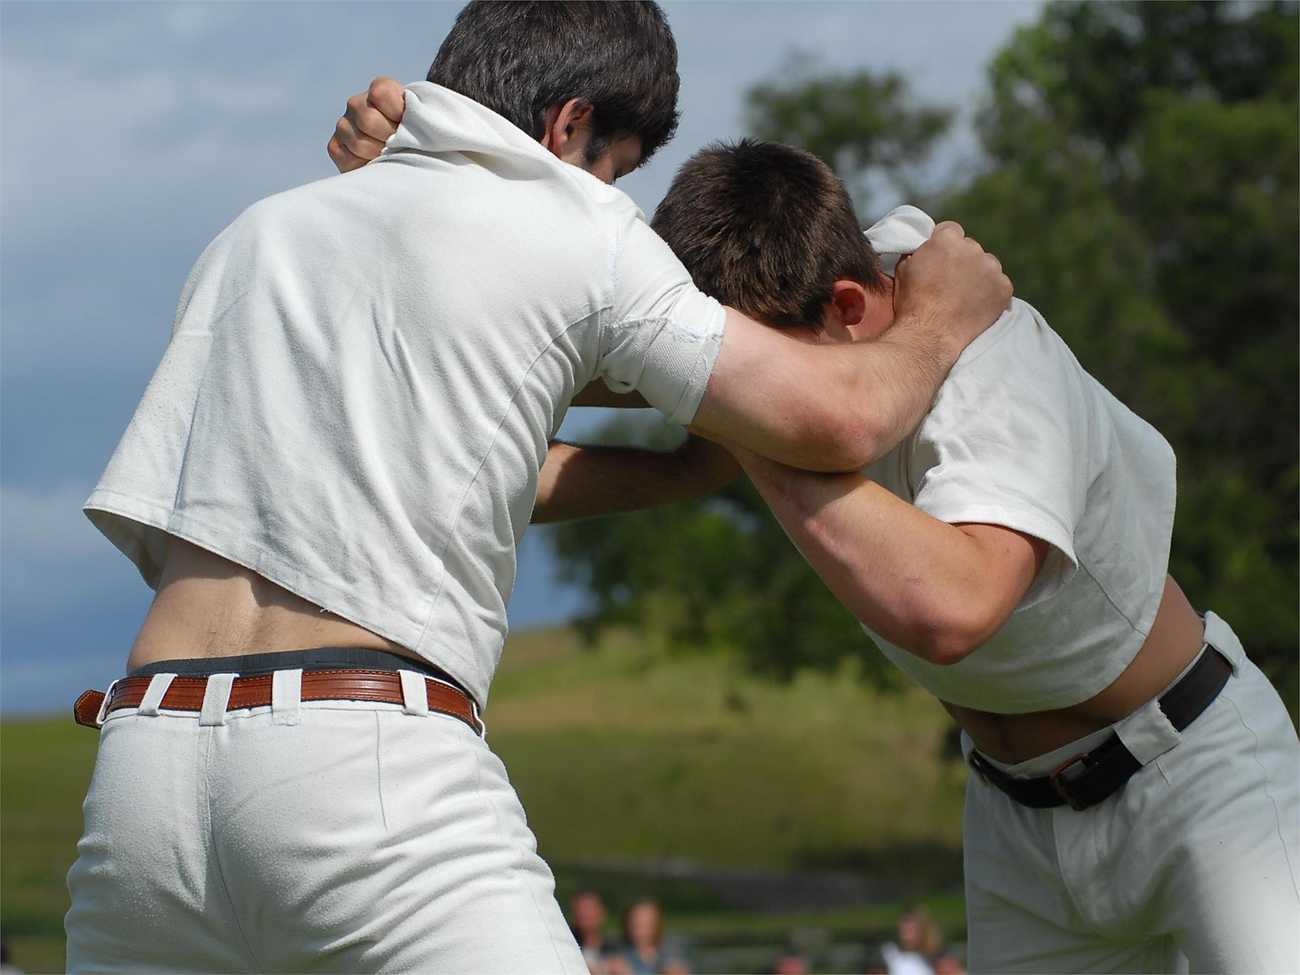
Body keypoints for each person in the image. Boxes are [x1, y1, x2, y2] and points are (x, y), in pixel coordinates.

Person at [66, 5, 1011, 974]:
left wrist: (683, 469)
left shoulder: (260, 235)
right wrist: (941, 318)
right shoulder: (574, 224)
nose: (612, 195)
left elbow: (457, 459)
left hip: (144, 776)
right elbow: (842, 417)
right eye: (616, 167)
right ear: (570, 125)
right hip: (358, 763)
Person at [644, 139, 1300, 973]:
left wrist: (733, 414)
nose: (757, 401)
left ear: (848, 305)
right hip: (1013, 825)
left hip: (1198, 784)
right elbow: (581, 355)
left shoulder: (994, 358)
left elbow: (955, 606)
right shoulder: (805, 302)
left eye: (762, 373)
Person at [569, 889, 617, 973]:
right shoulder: (566, 945)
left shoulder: (614, 948)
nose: (585, 914)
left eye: (591, 909)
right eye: (581, 909)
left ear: (603, 913)